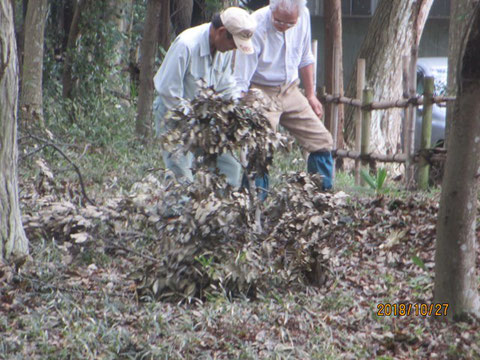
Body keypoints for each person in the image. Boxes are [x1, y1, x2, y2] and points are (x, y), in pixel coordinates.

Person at [235, 0, 334, 193]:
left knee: (322, 140)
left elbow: (305, 57)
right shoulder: (255, 25)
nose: (284, 26)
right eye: (279, 21)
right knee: (260, 148)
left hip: (290, 88)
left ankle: (321, 198)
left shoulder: (303, 16)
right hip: (260, 90)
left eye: (290, 23)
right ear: (271, 10)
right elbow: (242, 77)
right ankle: (254, 203)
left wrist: (311, 95)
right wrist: (241, 107)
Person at [153, 7, 257, 187]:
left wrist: (237, 111)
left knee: (230, 165)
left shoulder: (223, 50)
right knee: (181, 177)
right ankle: (175, 214)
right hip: (174, 115)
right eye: (233, 44)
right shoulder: (186, 45)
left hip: (205, 116)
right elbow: (168, 90)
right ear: (222, 32)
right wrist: (191, 121)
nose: (234, 49)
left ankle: (221, 211)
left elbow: (226, 85)